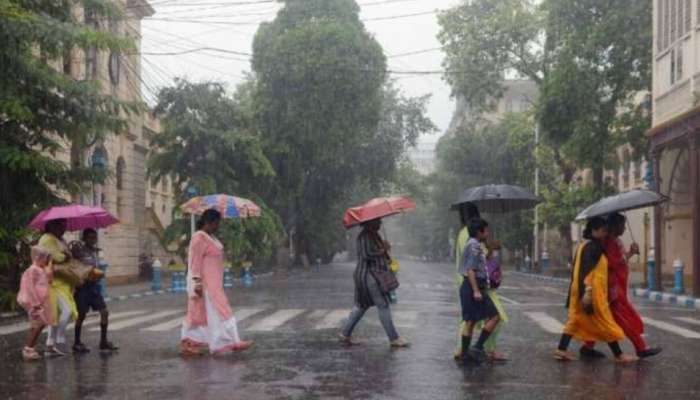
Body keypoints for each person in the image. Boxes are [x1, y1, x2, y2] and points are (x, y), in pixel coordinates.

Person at [554, 217, 637, 363]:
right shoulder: (594, 247)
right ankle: (619, 355)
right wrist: (589, 291)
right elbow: (589, 270)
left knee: (574, 320)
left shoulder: (583, 245)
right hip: (591, 292)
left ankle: (561, 349)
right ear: (594, 230)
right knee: (604, 321)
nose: (605, 234)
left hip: (579, 290)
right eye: (603, 231)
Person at [579, 214, 662, 359]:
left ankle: (587, 347)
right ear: (615, 226)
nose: (624, 228)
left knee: (599, 318)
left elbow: (618, 261)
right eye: (622, 225)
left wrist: (630, 252)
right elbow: (610, 263)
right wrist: (629, 253)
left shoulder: (614, 240)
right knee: (621, 318)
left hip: (616, 286)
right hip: (612, 288)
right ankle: (640, 347)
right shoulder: (610, 242)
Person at [180, 209, 253, 356]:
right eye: (216, 223)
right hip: (206, 285)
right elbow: (195, 263)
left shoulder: (210, 237)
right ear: (209, 222)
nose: (218, 226)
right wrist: (197, 284)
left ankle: (193, 342)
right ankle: (232, 341)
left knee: (203, 314)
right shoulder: (199, 237)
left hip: (215, 283)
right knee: (216, 312)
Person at [338, 218, 409, 348]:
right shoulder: (365, 236)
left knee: (362, 306)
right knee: (383, 305)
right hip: (369, 276)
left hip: (369, 275)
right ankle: (394, 338)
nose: (380, 223)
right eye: (377, 221)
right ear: (370, 222)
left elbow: (379, 254)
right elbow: (366, 255)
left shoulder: (373, 235)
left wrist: (385, 248)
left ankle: (345, 334)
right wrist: (383, 249)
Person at [453, 204, 508, 363]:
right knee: (494, 316)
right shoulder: (470, 239)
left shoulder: (464, 234)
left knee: (470, 320)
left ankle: (466, 351)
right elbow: (473, 261)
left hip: (470, 282)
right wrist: (491, 250)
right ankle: (480, 348)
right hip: (475, 283)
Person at [72, 228, 118, 353]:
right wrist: (74, 248)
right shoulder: (79, 251)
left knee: (104, 312)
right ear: (84, 238)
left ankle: (103, 341)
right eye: (90, 237)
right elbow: (72, 262)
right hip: (82, 287)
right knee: (81, 315)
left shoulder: (95, 252)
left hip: (94, 287)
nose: (93, 240)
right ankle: (77, 342)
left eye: (94, 237)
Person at [39, 219, 78, 356]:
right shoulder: (47, 238)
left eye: (64, 226)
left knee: (54, 315)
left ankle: (50, 346)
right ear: (51, 225)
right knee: (67, 311)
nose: (63, 228)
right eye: (59, 225)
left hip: (63, 281)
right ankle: (59, 338)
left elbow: (68, 256)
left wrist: (67, 255)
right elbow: (55, 257)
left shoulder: (60, 239)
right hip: (53, 282)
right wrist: (65, 255)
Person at [17, 246, 54, 361]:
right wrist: (35, 303)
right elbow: (29, 287)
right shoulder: (32, 270)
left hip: (41, 302)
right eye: (46, 259)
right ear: (38, 257)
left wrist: (49, 272)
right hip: (35, 303)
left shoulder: (40, 269)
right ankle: (28, 349)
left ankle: (30, 348)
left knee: (39, 324)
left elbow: (49, 282)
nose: (47, 261)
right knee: (39, 324)